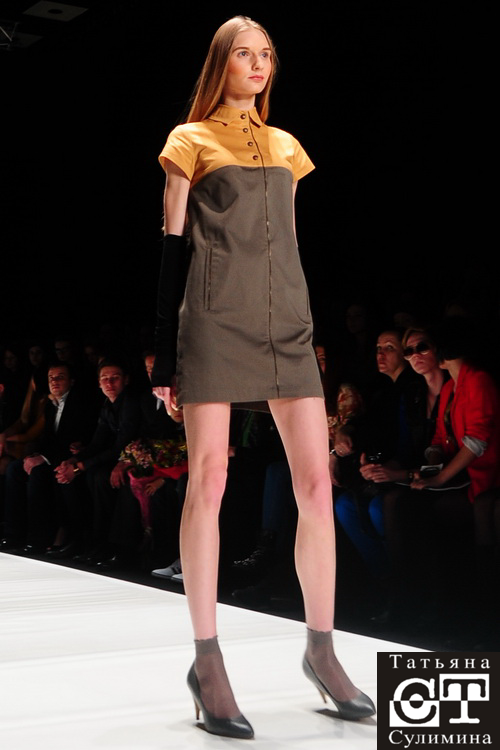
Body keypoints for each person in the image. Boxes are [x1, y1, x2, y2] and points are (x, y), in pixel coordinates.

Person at [151, 16, 374, 739]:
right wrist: (163, 355)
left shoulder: (286, 147)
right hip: (216, 318)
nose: (258, 64)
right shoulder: (190, 139)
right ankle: (207, 661)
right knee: (210, 480)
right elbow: (171, 249)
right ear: (221, 62)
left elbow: (292, 243)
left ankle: (322, 651)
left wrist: (306, 322)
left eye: (267, 55)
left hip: (288, 324)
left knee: (317, 485)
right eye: (244, 54)